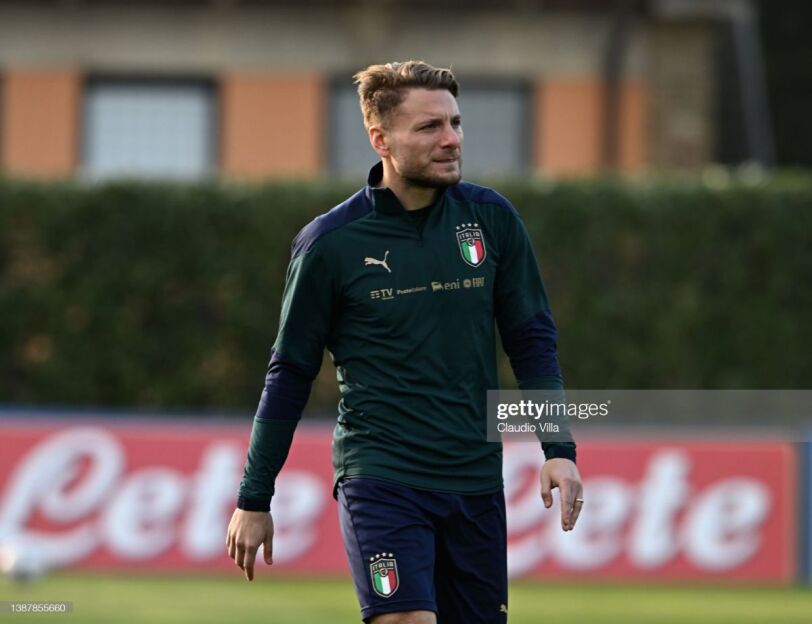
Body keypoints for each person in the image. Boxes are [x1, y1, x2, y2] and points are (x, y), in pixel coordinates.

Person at [226, 60, 583, 624]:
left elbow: (532, 343)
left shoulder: (492, 220)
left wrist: (558, 450)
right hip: (381, 475)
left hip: (474, 480)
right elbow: (290, 372)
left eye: (455, 123)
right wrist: (254, 496)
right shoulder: (330, 244)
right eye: (430, 127)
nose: (452, 139)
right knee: (405, 619)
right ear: (381, 140)